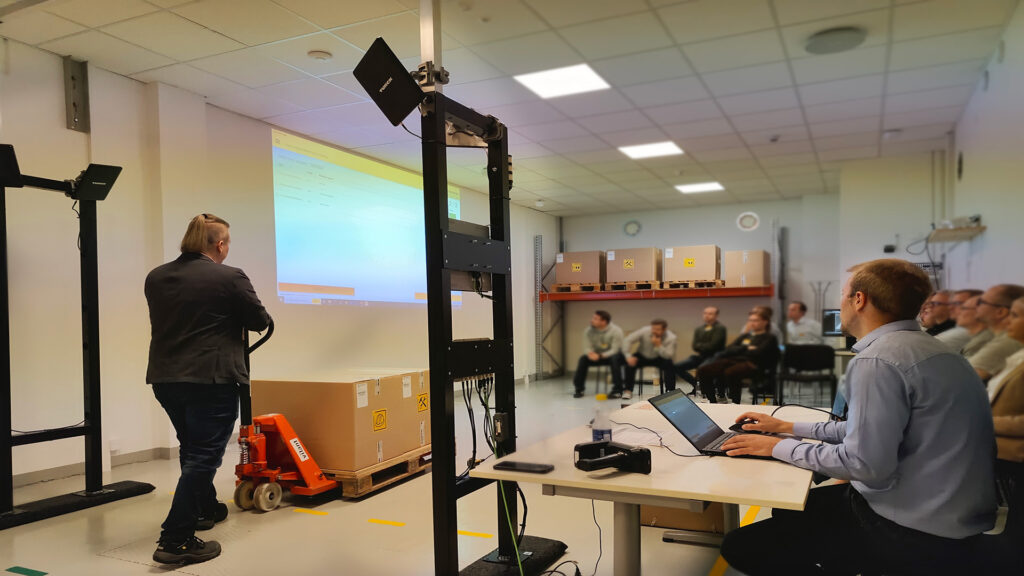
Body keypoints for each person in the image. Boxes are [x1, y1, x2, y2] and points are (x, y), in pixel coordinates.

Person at [719, 259, 996, 576]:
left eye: (843, 294)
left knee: (741, 546)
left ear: (859, 299)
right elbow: (869, 431)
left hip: (913, 531)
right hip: (950, 517)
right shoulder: (933, 350)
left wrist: (775, 447)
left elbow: (864, 464)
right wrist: (785, 427)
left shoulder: (879, 359)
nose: (841, 303)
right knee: (790, 509)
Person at [146, 214, 272, 565]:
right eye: (227, 243)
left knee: (192, 447)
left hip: (166, 379)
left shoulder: (156, 277)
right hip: (212, 379)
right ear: (220, 244)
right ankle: (176, 540)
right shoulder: (230, 276)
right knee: (204, 456)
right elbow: (259, 321)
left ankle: (203, 509)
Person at [696, 308, 779, 404]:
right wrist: (746, 348)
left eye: (756, 320)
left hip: (754, 365)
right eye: (750, 320)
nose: (752, 323)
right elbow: (729, 349)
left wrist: (739, 350)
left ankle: (735, 402)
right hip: (734, 360)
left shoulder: (769, 338)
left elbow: (758, 353)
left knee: (731, 372)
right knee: (703, 370)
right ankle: (711, 400)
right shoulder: (746, 336)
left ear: (765, 322)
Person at [967, 284, 1024, 382]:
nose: (975, 306)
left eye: (981, 302)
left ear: (1000, 312)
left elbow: (962, 375)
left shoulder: (1010, 341)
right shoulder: (996, 335)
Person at [673, 306, 727, 395]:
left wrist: (701, 345)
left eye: (710, 314)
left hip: (716, 357)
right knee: (676, 367)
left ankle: (710, 391)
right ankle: (697, 385)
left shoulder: (720, 328)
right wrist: (704, 345)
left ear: (716, 316)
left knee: (703, 368)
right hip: (701, 356)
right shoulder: (699, 329)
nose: (707, 315)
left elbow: (713, 346)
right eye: (705, 313)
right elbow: (695, 345)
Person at [573, 310, 624, 399]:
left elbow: (615, 350)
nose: (592, 320)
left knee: (615, 358)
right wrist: (590, 354)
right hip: (596, 356)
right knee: (583, 359)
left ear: (603, 321)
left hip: (614, 355)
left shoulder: (616, 330)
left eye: (595, 319)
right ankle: (579, 389)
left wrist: (600, 355)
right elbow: (587, 347)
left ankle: (617, 391)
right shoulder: (588, 331)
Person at [622, 319, 677, 399]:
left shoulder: (671, 337)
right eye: (653, 328)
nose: (654, 331)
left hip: (660, 357)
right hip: (643, 355)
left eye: (657, 329)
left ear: (664, 330)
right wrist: (628, 356)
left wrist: (658, 345)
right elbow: (628, 340)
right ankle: (628, 391)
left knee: (670, 364)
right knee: (629, 363)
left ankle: (670, 391)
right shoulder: (645, 330)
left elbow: (668, 355)